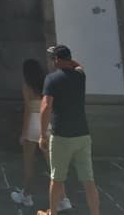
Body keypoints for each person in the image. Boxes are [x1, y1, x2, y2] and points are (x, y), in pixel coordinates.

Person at [37, 45, 100, 215]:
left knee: (56, 179)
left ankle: (52, 213)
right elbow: (79, 66)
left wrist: (42, 134)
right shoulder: (80, 76)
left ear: (57, 60)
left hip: (61, 136)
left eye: (53, 58)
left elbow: (45, 107)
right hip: (82, 134)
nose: (51, 62)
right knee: (88, 180)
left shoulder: (51, 79)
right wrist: (67, 58)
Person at [10, 59, 72, 210]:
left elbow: (27, 111)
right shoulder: (46, 83)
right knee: (52, 165)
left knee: (28, 163)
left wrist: (24, 133)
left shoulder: (27, 86)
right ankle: (63, 199)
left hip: (32, 124)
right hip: (45, 124)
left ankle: (26, 195)